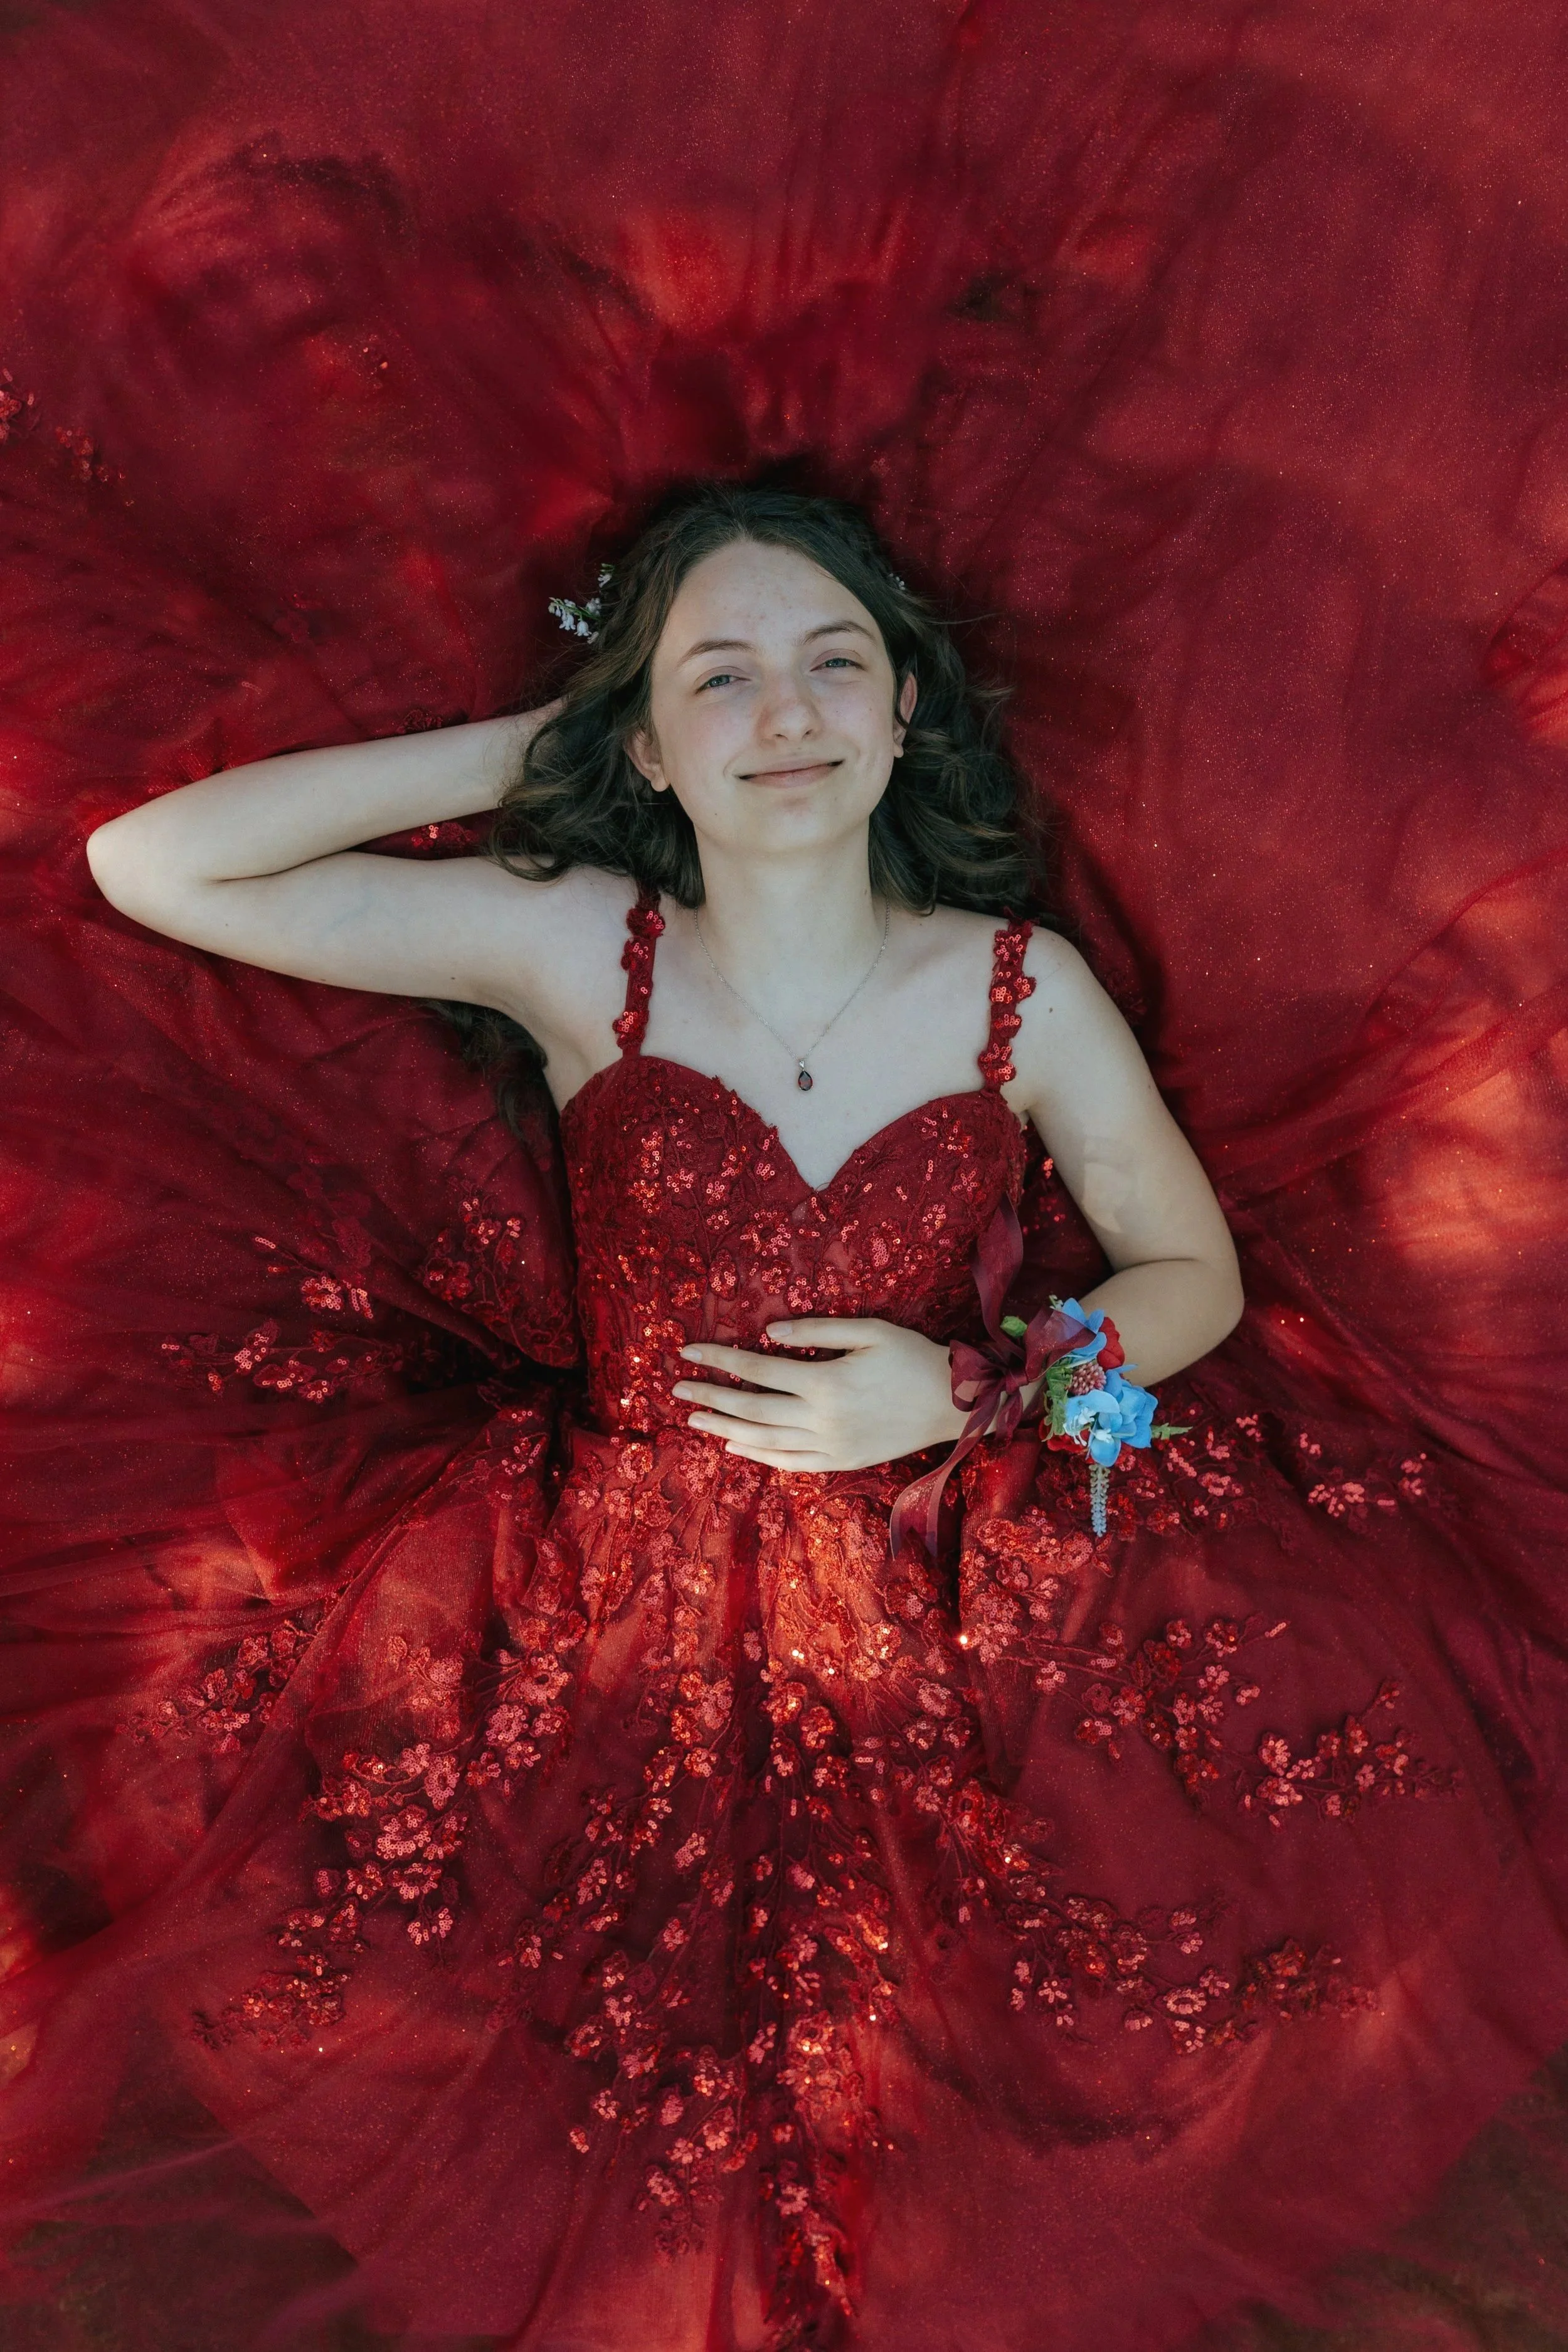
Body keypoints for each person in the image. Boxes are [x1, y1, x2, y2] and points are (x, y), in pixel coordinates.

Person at [45, 483, 1566, 2348]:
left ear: (905, 708)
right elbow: (153, 863)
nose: (786, 712)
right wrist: (538, 745)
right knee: (633, 2112)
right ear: (652, 741)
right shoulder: (577, 944)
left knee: (971, 2082)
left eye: (836, 661)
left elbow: (1192, 1277)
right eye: (721, 677)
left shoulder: (1016, 986)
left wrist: (973, 1377)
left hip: (951, 1567)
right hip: (617, 1591)